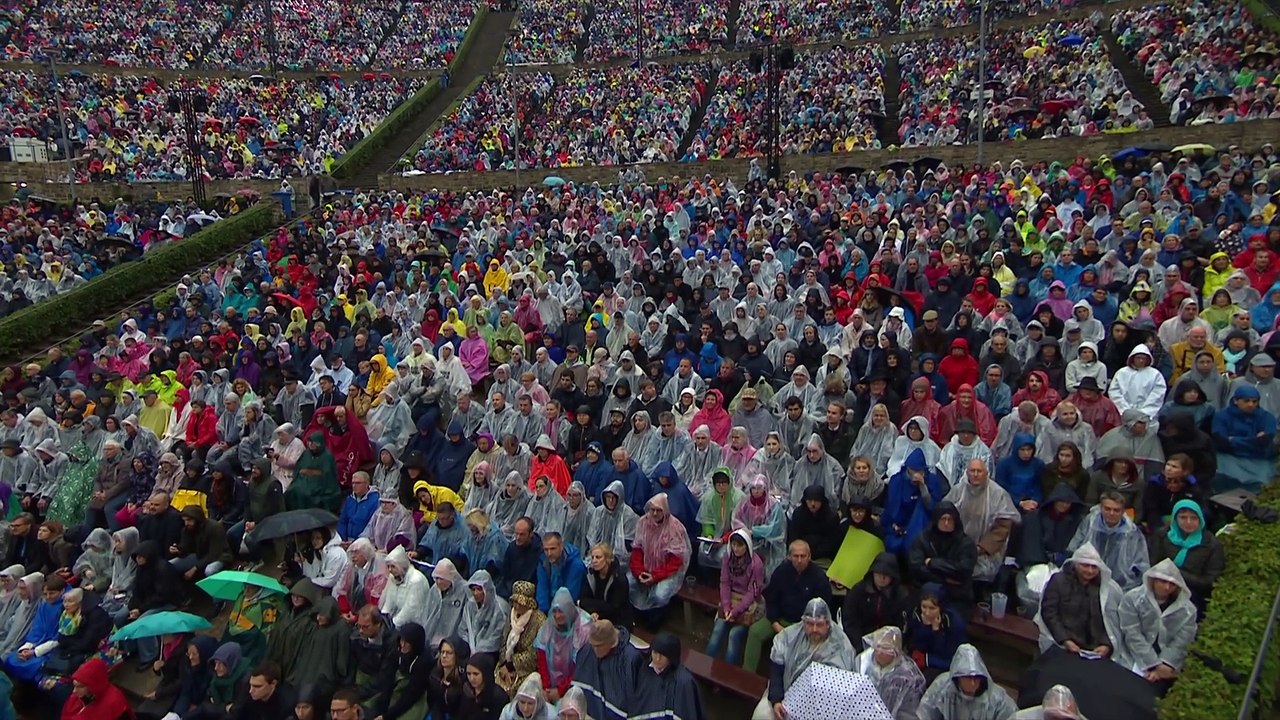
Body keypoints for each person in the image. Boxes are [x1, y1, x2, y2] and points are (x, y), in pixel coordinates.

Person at [753, 597, 854, 720]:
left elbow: (839, 688)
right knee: (762, 715)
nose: (814, 629)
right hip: (784, 693)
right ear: (804, 622)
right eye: (810, 624)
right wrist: (776, 701)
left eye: (819, 625)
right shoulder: (788, 637)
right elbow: (776, 672)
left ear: (828, 624)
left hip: (821, 704)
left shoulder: (841, 646)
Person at [743, 540, 832, 673]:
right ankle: (746, 675)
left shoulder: (819, 578)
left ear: (809, 557)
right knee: (755, 632)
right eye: (796, 556)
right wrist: (775, 623)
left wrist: (802, 628)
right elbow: (771, 599)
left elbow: (821, 609)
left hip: (803, 625)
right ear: (789, 557)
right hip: (780, 619)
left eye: (803, 556)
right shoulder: (781, 571)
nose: (799, 560)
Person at [1114, 560, 1198, 684]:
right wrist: (1153, 663)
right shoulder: (1132, 599)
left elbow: (1182, 641)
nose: (1167, 587)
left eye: (1172, 584)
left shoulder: (1188, 610)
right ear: (1153, 580)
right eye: (1163, 582)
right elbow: (1132, 633)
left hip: (1168, 666)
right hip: (1132, 655)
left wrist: (1165, 664)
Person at [1034, 542, 1122, 656]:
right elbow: (1049, 613)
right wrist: (1065, 640)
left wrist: (1106, 644)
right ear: (1075, 565)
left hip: (1094, 647)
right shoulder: (1058, 581)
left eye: (1094, 567)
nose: (1090, 571)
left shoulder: (1105, 589)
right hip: (1062, 642)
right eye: (1085, 565)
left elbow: (1110, 621)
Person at [1148, 499, 1224, 609]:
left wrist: (1178, 574)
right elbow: (1152, 564)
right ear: (1175, 518)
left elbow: (1210, 580)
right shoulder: (1162, 535)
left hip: (1192, 593)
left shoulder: (1212, 544)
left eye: (1194, 518)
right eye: (1183, 517)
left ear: (1200, 519)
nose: (1188, 522)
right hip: (1161, 586)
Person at [1067, 491, 1149, 591]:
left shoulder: (1132, 532)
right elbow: (1074, 548)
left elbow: (1141, 565)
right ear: (1100, 508)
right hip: (1085, 579)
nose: (1111, 513)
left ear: (1123, 511)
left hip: (1119, 586)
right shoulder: (1090, 522)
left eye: (1116, 510)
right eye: (1107, 509)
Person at [707, 529, 764, 665]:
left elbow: (753, 592)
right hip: (731, 599)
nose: (736, 549)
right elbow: (725, 582)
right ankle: (706, 665)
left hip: (749, 605)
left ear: (747, 545)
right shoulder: (728, 557)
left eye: (740, 545)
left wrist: (736, 611)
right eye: (733, 544)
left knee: (734, 635)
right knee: (717, 629)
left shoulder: (756, 564)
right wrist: (727, 607)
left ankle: (728, 672)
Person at [628, 494, 691, 618]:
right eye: (652, 510)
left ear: (665, 510)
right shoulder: (643, 522)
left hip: (667, 571)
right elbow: (637, 550)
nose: (655, 513)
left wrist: (655, 576)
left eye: (659, 510)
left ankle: (658, 614)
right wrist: (639, 572)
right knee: (628, 582)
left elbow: (675, 561)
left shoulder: (675, 528)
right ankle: (639, 613)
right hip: (645, 568)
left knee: (660, 595)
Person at [916, 644, 1017, 720]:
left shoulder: (997, 700)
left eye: (976, 678)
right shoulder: (941, 688)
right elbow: (925, 712)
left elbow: (1014, 716)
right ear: (958, 678)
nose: (973, 683)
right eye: (968, 678)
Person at [909, 503, 977, 610]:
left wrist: (932, 563)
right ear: (936, 520)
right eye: (943, 519)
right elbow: (916, 567)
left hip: (956, 596)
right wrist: (945, 579)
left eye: (950, 519)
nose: (946, 523)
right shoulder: (922, 539)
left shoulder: (966, 543)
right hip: (926, 592)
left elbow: (964, 570)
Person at [572, 619, 643, 720]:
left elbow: (636, 700)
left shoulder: (630, 659)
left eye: (599, 646)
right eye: (593, 645)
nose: (595, 650)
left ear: (612, 643)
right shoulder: (587, 650)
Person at [842, 551, 910, 652]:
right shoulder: (859, 590)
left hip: (889, 646)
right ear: (872, 573)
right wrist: (860, 646)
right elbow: (850, 619)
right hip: (859, 642)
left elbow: (902, 626)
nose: (882, 578)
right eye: (878, 574)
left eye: (886, 575)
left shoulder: (901, 596)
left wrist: (888, 646)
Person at [533, 587, 591, 704]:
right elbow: (542, 656)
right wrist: (546, 688)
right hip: (549, 686)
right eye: (554, 611)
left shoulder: (583, 629)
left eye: (561, 611)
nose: (557, 616)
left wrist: (560, 691)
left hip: (575, 686)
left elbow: (580, 668)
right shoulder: (548, 626)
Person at [855, 626, 925, 720]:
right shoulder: (862, 663)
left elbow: (909, 712)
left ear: (896, 652)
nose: (879, 652)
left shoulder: (910, 677)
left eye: (885, 648)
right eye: (877, 647)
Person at [632, 632, 704, 720]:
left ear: (671, 657)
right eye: (655, 653)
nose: (657, 658)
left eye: (662, 655)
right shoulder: (644, 670)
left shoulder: (684, 682)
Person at [378, 622, 432, 720]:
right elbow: (388, 678)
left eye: (407, 642)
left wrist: (387, 716)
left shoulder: (424, 661)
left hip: (417, 696)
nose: (402, 644)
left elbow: (411, 695)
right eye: (401, 640)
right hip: (398, 688)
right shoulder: (397, 650)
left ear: (415, 643)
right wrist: (382, 709)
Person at [578, 542, 632, 629]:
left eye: (598, 557)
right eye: (592, 557)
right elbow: (583, 600)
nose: (594, 561)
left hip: (618, 623)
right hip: (595, 617)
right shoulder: (590, 575)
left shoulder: (619, 579)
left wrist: (595, 609)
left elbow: (613, 608)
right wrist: (593, 612)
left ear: (607, 559)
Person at [60, 657, 131, 720]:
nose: (74, 691)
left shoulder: (114, 702)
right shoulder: (77, 697)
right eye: (74, 685)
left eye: (80, 686)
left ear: (92, 685)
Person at [535, 533, 585, 613]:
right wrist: (543, 613)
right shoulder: (543, 561)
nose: (549, 553)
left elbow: (570, 595)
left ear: (561, 547)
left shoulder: (575, 564)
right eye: (546, 550)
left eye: (553, 549)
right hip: (550, 606)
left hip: (569, 609)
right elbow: (542, 589)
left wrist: (555, 614)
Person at [464, 570, 510, 656]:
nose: (475, 593)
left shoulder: (500, 608)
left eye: (479, 589)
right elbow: (463, 629)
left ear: (487, 588)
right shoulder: (469, 606)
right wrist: (470, 645)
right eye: (473, 589)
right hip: (471, 649)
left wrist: (480, 648)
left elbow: (498, 636)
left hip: (492, 652)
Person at [428, 636, 472, 720]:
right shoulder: (434, 675)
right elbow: (434, 704)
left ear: (457, 655)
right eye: (442, 652)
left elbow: (464, 711)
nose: (444, 656)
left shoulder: (465, 679)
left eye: (449, 653)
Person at [459, 653, 510, 720]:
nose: (471, 678)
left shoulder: (498, 696)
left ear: (485, 673)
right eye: (468, 674)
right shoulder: (466, 690)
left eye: (476, 674)